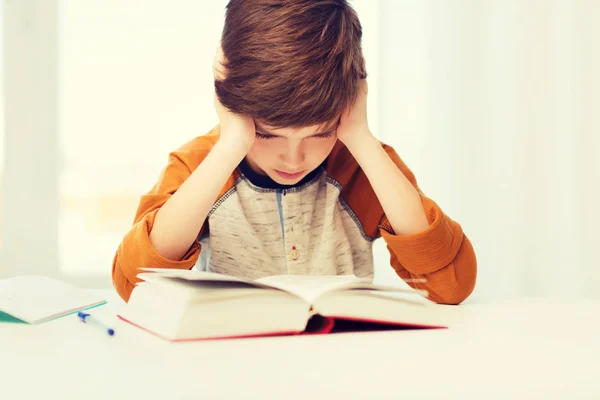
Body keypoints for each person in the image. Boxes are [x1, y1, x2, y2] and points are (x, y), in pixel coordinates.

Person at [112, 0, 477, 304]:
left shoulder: (364, 165)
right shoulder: (201, 164)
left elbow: (451, 286)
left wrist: (360, 136)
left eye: (319, 134)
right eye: (268, 136)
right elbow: (137, 287)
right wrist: (232, 143)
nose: (293, 159)